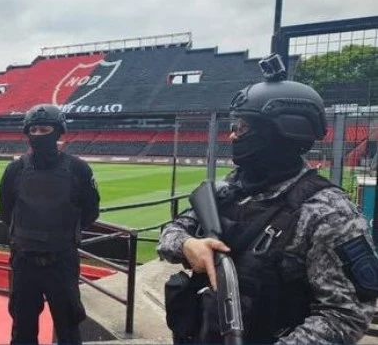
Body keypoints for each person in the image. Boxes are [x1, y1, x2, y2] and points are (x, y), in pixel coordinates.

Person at [158, 54, 378, 344]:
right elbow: (170, 233)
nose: (233, 137)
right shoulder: (228, 189)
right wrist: (188, 245)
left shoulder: (327, 212)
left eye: (242, 127)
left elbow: (346, 315)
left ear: (280, 131)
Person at [0, 103, 100, 345]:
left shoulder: (79, 170)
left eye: (45, 130)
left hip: (62, 263)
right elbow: (6, 212)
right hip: (24, 263)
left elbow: (90, 212)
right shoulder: (14, 170)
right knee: (22, 331)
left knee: (69, 329)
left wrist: (61, 236)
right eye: (34, 130)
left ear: (58, 132)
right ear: (27, 133)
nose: (39, 135)